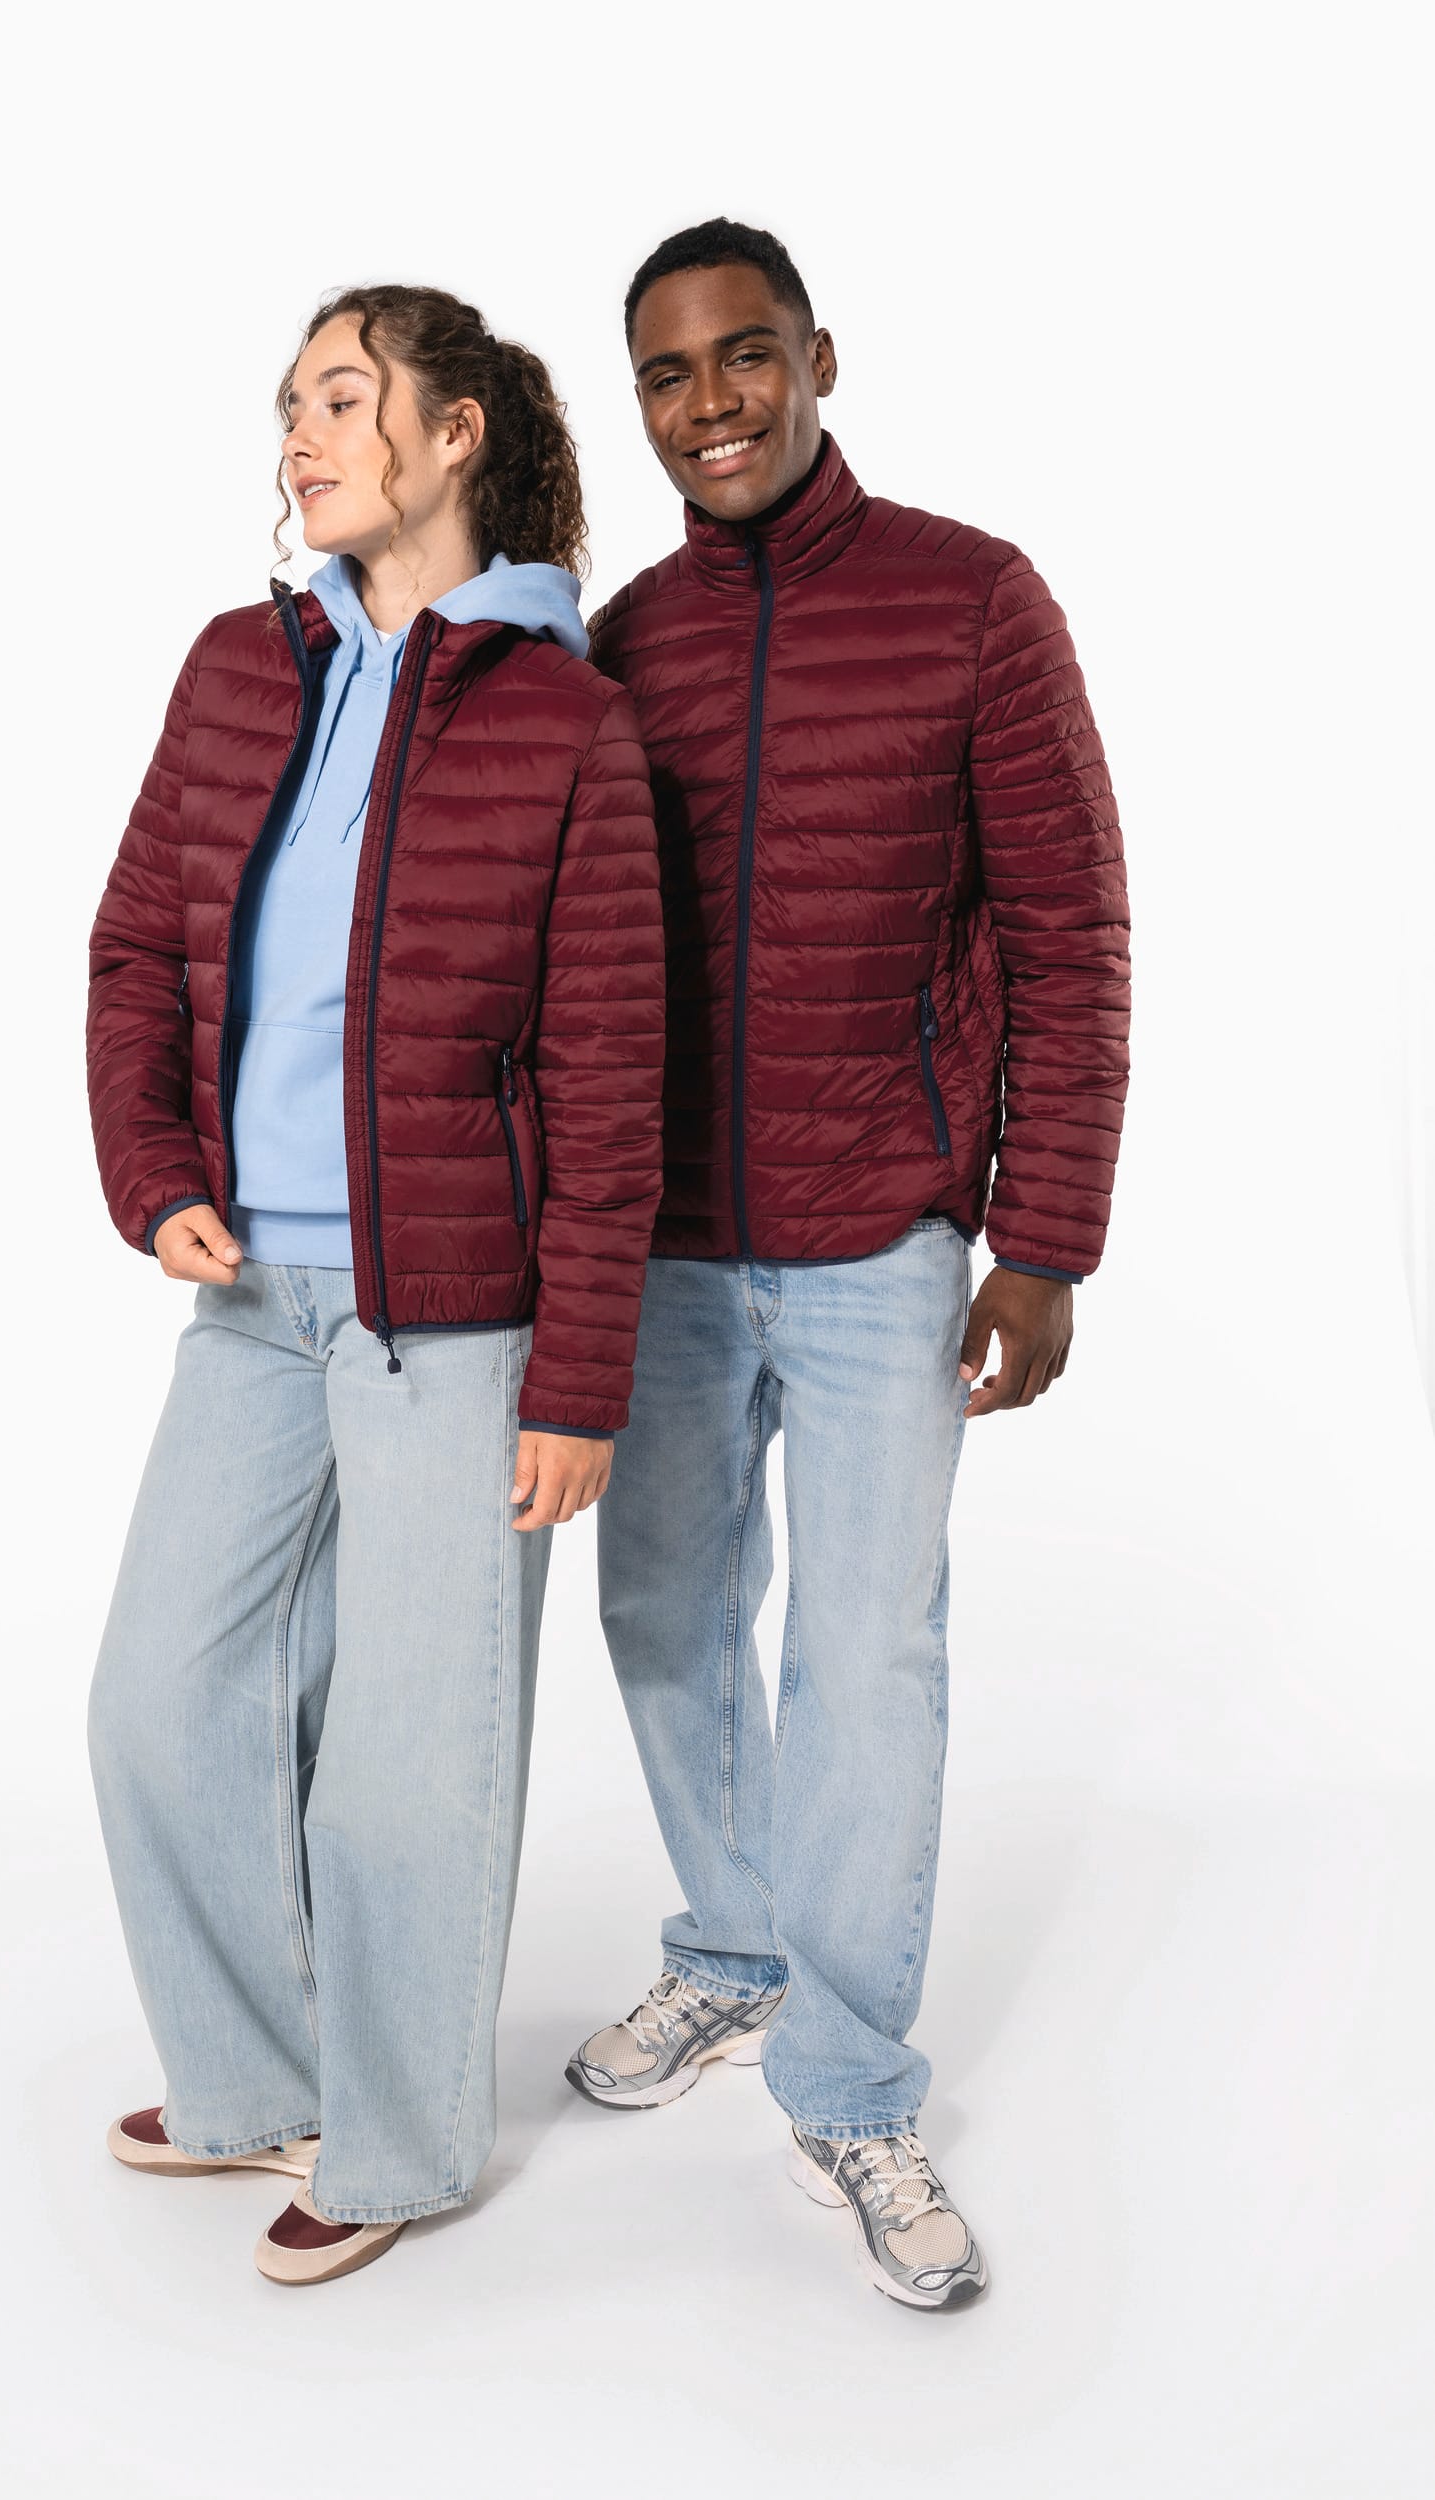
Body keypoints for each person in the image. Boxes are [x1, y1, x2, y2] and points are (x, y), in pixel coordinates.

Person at [570, 220, 1131, 2309]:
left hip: (886, 1229)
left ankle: (847, 2079)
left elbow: (1070, 930)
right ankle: (733, 1946)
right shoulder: (623, 644)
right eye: (665, 372)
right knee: (661, 1614)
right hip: (666, 1247)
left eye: (741, 355)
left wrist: (1041, 1234)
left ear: (816, 356)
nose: (707, 402)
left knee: (866, 1652)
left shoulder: (971, 599)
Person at [84, 283, 663, 2287]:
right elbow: (134, 946)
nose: (301, 437)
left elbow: (609, 1074)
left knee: (412, 1759)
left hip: (458, 1313)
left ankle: (403, 2143)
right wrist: (154, 1170)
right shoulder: (240, 671)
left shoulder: (566, 719)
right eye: (289, 407)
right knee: (159, 1696)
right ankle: (258, 2073)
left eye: (342, 398)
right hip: (251, 1289)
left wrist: (577, 1376)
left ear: (452, 434)